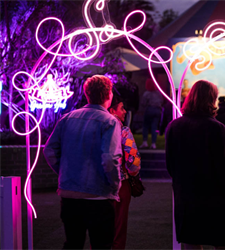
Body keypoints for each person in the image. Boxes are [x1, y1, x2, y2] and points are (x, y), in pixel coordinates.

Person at [44, 75, 122, 250]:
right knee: (102, 245)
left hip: (70, 193)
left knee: (73, 243)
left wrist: (64, 171)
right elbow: (109, 158)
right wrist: (115, 185)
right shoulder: (109, 121)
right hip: (98, 196)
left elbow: (49, 150)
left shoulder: (67, 118)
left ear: (86, 94)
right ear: (108, 95)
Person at [165, 80, 225, 250]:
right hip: (214, 196)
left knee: (191, 241)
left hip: (186, 196)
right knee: (223, 241)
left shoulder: (174, 126)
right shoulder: (216, 128)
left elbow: (170, 165)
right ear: (211, 100)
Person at [108, 95, 141, 250]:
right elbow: (134, 162)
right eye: (121, 108)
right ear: (112, 109)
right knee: (118, 231)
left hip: (96, 183)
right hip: (120, 185)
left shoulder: (94, 128)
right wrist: (132, 173)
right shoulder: (123, 130)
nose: (125, 111)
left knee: (99, 231)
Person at [140, 78, 163, 149]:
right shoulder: (158, 93)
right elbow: (162, 101)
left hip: (149, 109)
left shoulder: (146, 93)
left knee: (146, 126)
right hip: (157, 110)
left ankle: (145, 142)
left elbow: (143, 103)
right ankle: (153, 143)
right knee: (154, 127)